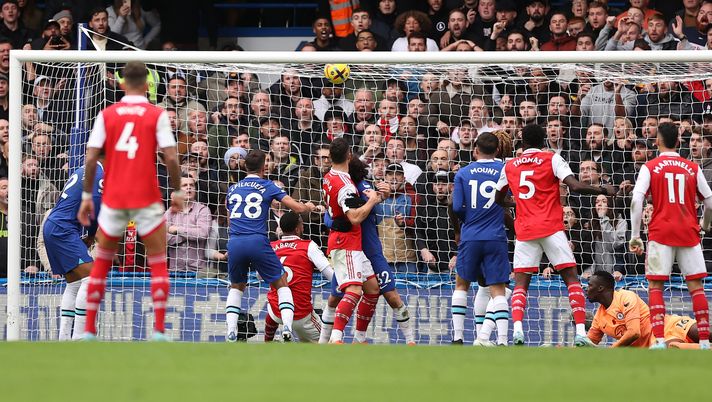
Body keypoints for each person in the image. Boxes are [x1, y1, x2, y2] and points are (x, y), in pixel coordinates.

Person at [77, 61, 184, 341]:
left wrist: (87, 196)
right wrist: (177, 191)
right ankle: (159, 330)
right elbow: (171, 157)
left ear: (122, 83)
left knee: (102, 261)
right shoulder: (156, 113)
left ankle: (89, 330)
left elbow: (90, 158)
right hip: (147, 196)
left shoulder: (107, 114)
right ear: (148, 85)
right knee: (158, 259)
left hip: (114, 196)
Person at [494, 124, 617, 346]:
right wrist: (602, 190)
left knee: (521, 283)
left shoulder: (509, 166)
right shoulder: (552, 159)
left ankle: (518, 331)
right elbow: (575, 186)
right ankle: (581, 332)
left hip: (525, 230)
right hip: (551, 228)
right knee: (571, 279)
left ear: (522, 143)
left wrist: (519, 203)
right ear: (543, 141)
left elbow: (498, 200)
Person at [629, 122, 712, 349]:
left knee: (656, 286)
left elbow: (637, 200)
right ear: (679, 141)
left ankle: (659, 340)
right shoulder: (692, 167)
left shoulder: (650, 166)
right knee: (696, 287)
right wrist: (705, 225)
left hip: (660, 233)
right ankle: (704, 342)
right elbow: (710, 200)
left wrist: (635, 235)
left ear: (657, 141)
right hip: (688, 233)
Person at [319, 157, 415, 345]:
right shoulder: (343, 189)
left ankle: (409, 341)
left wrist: (382, 196)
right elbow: (329, 220)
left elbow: (376, 211)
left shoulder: (363, 187)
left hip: (370, 252)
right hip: (348, 251)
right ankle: (325, 341)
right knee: (335, 297)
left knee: (390, 295)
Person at [224, 149, 315, 342]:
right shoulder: (267, 186)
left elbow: (229, 219)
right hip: (257, 240)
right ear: (264, 166)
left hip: (235, 242)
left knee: (237, 287)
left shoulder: (233, 188)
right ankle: (288, 328)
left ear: (245, 166)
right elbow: (297, 208)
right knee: (281, 283)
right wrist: (309, 207)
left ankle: (231, 331)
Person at [451, 132, 511, 346]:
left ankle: (458, 337)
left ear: (475, 150)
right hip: (495, 236)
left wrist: (470, 220)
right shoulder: (504, 170)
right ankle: (503, 340)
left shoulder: (463, 173)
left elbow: (456, 207)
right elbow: (508, 201)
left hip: (471, 236)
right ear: (497, 150)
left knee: (462, 285)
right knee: (498, 289)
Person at [322, 137, 383, 344]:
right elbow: (355, 217)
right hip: (345, 242)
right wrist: (373, 200)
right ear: (349, 155)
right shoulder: (345, 185)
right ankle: (336, 338)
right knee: (354, 290)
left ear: (330, 157)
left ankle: (359, 339)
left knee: (373, 288)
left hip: (348, 241)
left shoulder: (329, 176)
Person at [42, 164, 103, 340]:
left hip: (56, 226)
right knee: (92, 280)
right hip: (63, 229)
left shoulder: (85, 169)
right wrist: (91, 235)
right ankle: (80, 338)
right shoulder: (98, 174)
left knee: (75, 284)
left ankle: (64, 338)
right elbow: (95, 208)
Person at [586, 271, 711, 349]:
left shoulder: (625, 297)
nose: (586, 288)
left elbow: (634, 332)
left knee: (703, 332)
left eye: (590, 285)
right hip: (654, 344)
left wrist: (611, 350)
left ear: (600, 288)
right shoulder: (598, 318)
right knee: (673, 348)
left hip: (668, 324)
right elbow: (588, 344)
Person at [264, 212, 333, 343]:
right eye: (302, 224)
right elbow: (329, 274)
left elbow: (260, 276)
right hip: (300, 314)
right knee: (327, 344)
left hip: (276, 310)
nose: (303, 227)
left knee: (272, 303)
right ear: (297, 228)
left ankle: (274, 343)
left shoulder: (271, 247)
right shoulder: (308, 246)